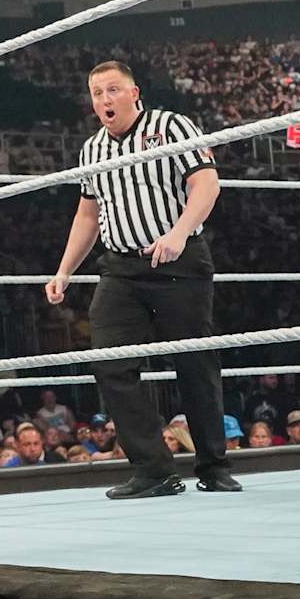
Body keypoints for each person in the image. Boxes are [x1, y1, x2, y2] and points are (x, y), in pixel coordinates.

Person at [46, 59, 237, 499]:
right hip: (120, 267)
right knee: (109, 360)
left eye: (113, 89)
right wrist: (64, 271)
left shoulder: (171, 127)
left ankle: (214, 465)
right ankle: (153, 469)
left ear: (134, 93)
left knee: (194, 363)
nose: (104, 99)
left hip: (179, 261)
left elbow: (207, 185)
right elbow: (87, 215)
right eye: (96, 93)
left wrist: (178, 233)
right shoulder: (92, 149)